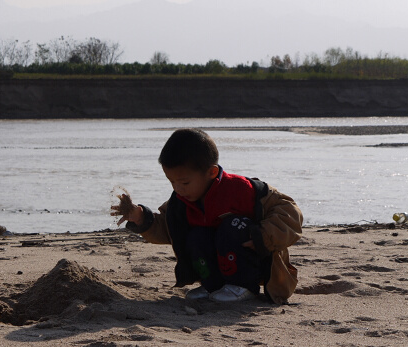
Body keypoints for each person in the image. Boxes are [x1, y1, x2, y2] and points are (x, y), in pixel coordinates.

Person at [111, 128, 303, 304]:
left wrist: (264, 236)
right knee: (196, 236)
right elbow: (170, 229)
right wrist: (141, 218)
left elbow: (290, 211)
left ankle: (244, 287)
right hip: (219, 263)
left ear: (211, 172)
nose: (177, 189)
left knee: (232, 227)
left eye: (184, 182)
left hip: (258, 264)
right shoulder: (181, 201)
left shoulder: (241, 189)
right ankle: (214, 285)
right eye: (172, 182)